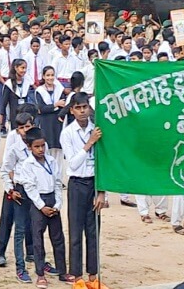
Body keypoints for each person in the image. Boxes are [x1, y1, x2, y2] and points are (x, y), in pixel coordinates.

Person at [60, 92, 105, 284]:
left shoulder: (97, 129)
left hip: (94, 183)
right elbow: (73, 163)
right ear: (72, 110)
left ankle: (93, 275)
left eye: (85, 107)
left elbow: (104, 162)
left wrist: (102, 191)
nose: (82, 111)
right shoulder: (68, 133)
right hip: (77, 184)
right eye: (78, 108)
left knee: (93, 230)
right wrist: (89, 143)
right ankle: (77, 276)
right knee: (76, 230)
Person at [21, 128, 72, 287]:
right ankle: (40, 274)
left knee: (58, 238)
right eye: (36, 147)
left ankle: (63, 272)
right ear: (29, 147)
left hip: (52, 200)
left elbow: (58, 183)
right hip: (38, 203)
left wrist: (57, 204)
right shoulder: (27, 165)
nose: (41, 149)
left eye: (43, 145)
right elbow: (30, 188)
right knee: (38, 239)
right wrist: (42, 206)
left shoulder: (52, 161)